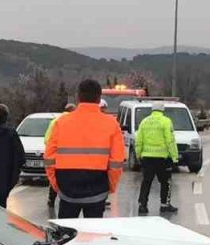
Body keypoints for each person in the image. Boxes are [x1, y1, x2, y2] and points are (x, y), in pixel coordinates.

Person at [44, 79, 125, 219]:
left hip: (67, 189)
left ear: (78, 97)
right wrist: (109, 187)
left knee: (66, 236)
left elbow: (49, 158)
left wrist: (57, 185)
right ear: (99, 98)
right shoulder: (112, 124)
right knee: (93, 237)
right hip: (97, 189)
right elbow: (116, 162)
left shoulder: (61, 123)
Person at [134, 105, 179, 215]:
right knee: (166, 182)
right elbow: (170, 141)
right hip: (162, 158)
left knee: (146, 182)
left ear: (152, 110)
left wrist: (138, 155)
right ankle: (165, 205)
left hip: (147, 158)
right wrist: (175, 157)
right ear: (162, 110)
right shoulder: (166, 121)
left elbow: (139, 140)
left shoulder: (144, 122)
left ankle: (142, 205)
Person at [43, 103, 78, 210]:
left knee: (55, 178)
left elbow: (47, 139)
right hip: (69, 157)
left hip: (55, 155)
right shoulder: (73, 122)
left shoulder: (55, 121)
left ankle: (51, 199)